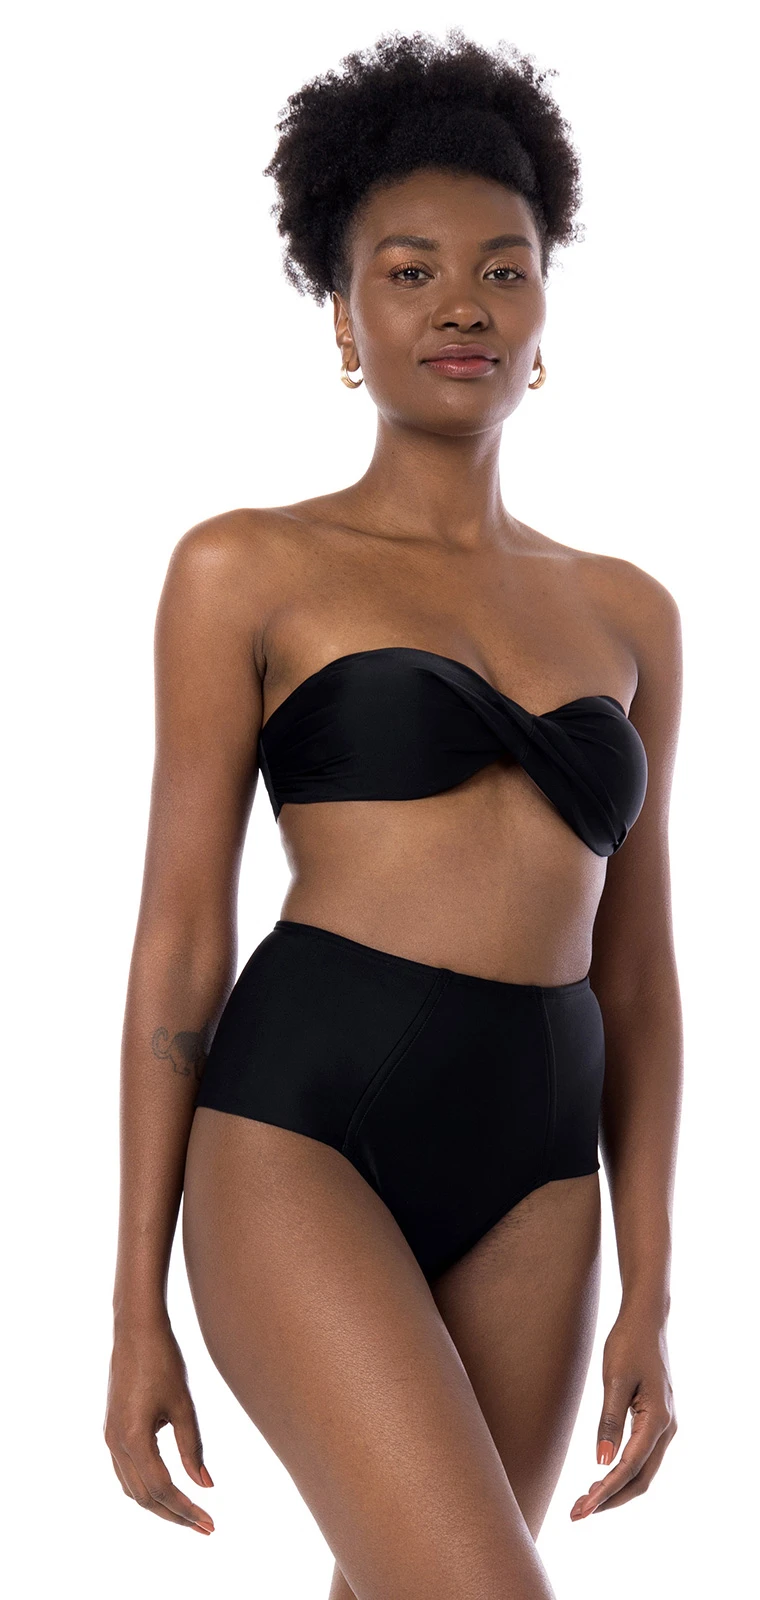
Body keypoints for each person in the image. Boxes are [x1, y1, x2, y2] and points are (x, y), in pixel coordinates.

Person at [104, 29, 682, 1600]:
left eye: (503, 269)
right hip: (302, 1126)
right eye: (411, 272)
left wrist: (652, 1281)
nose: (462, 305)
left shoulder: (630, 611)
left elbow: (639, 976)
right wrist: (135, 1307)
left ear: (544, 309)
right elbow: (180, 940)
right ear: (345, 317)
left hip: (543, 1159)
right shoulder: (245, 567)